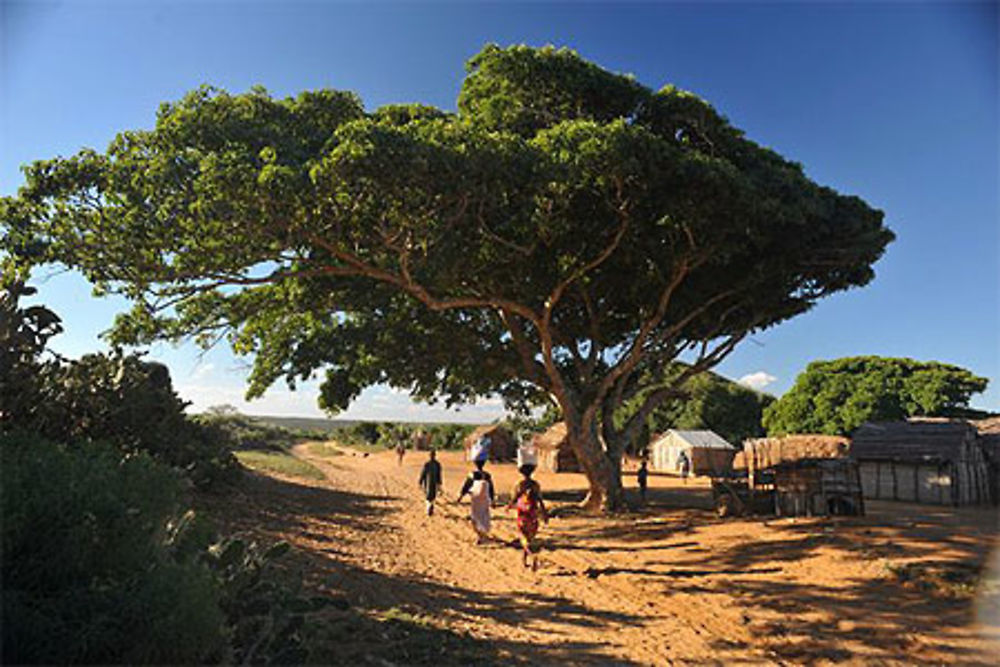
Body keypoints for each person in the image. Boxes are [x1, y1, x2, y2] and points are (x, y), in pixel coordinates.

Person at [508, 464, 548, 569]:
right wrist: (544, 514)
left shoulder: (519, 484)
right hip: (533, 516)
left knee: (523, 539)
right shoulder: (535, 484)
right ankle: (524, 561)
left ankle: (532, 556)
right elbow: (540, 500)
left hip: (523, 516)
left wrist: (509, 506)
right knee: (528, 539)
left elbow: (514, 498)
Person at [456, 458, 494, 544]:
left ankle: (480, 536)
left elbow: (466, 487)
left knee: (475, 518)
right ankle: (482, 535)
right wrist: (492, 500)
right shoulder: (487, 475)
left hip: (476, 500)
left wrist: (460, 497)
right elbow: (491, 488)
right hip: (485, 499)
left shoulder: (472, 475)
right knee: (484, 516)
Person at [418, 449, 443, 516]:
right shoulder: (437, 464)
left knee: (428, 496)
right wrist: (440, 484)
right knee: (433, 496)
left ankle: (428, 507)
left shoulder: (427, 464)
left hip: (428, 483)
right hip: (434, 483)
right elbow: (439, 475)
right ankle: (431, 505)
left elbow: (423, 474)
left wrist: (420, 482)